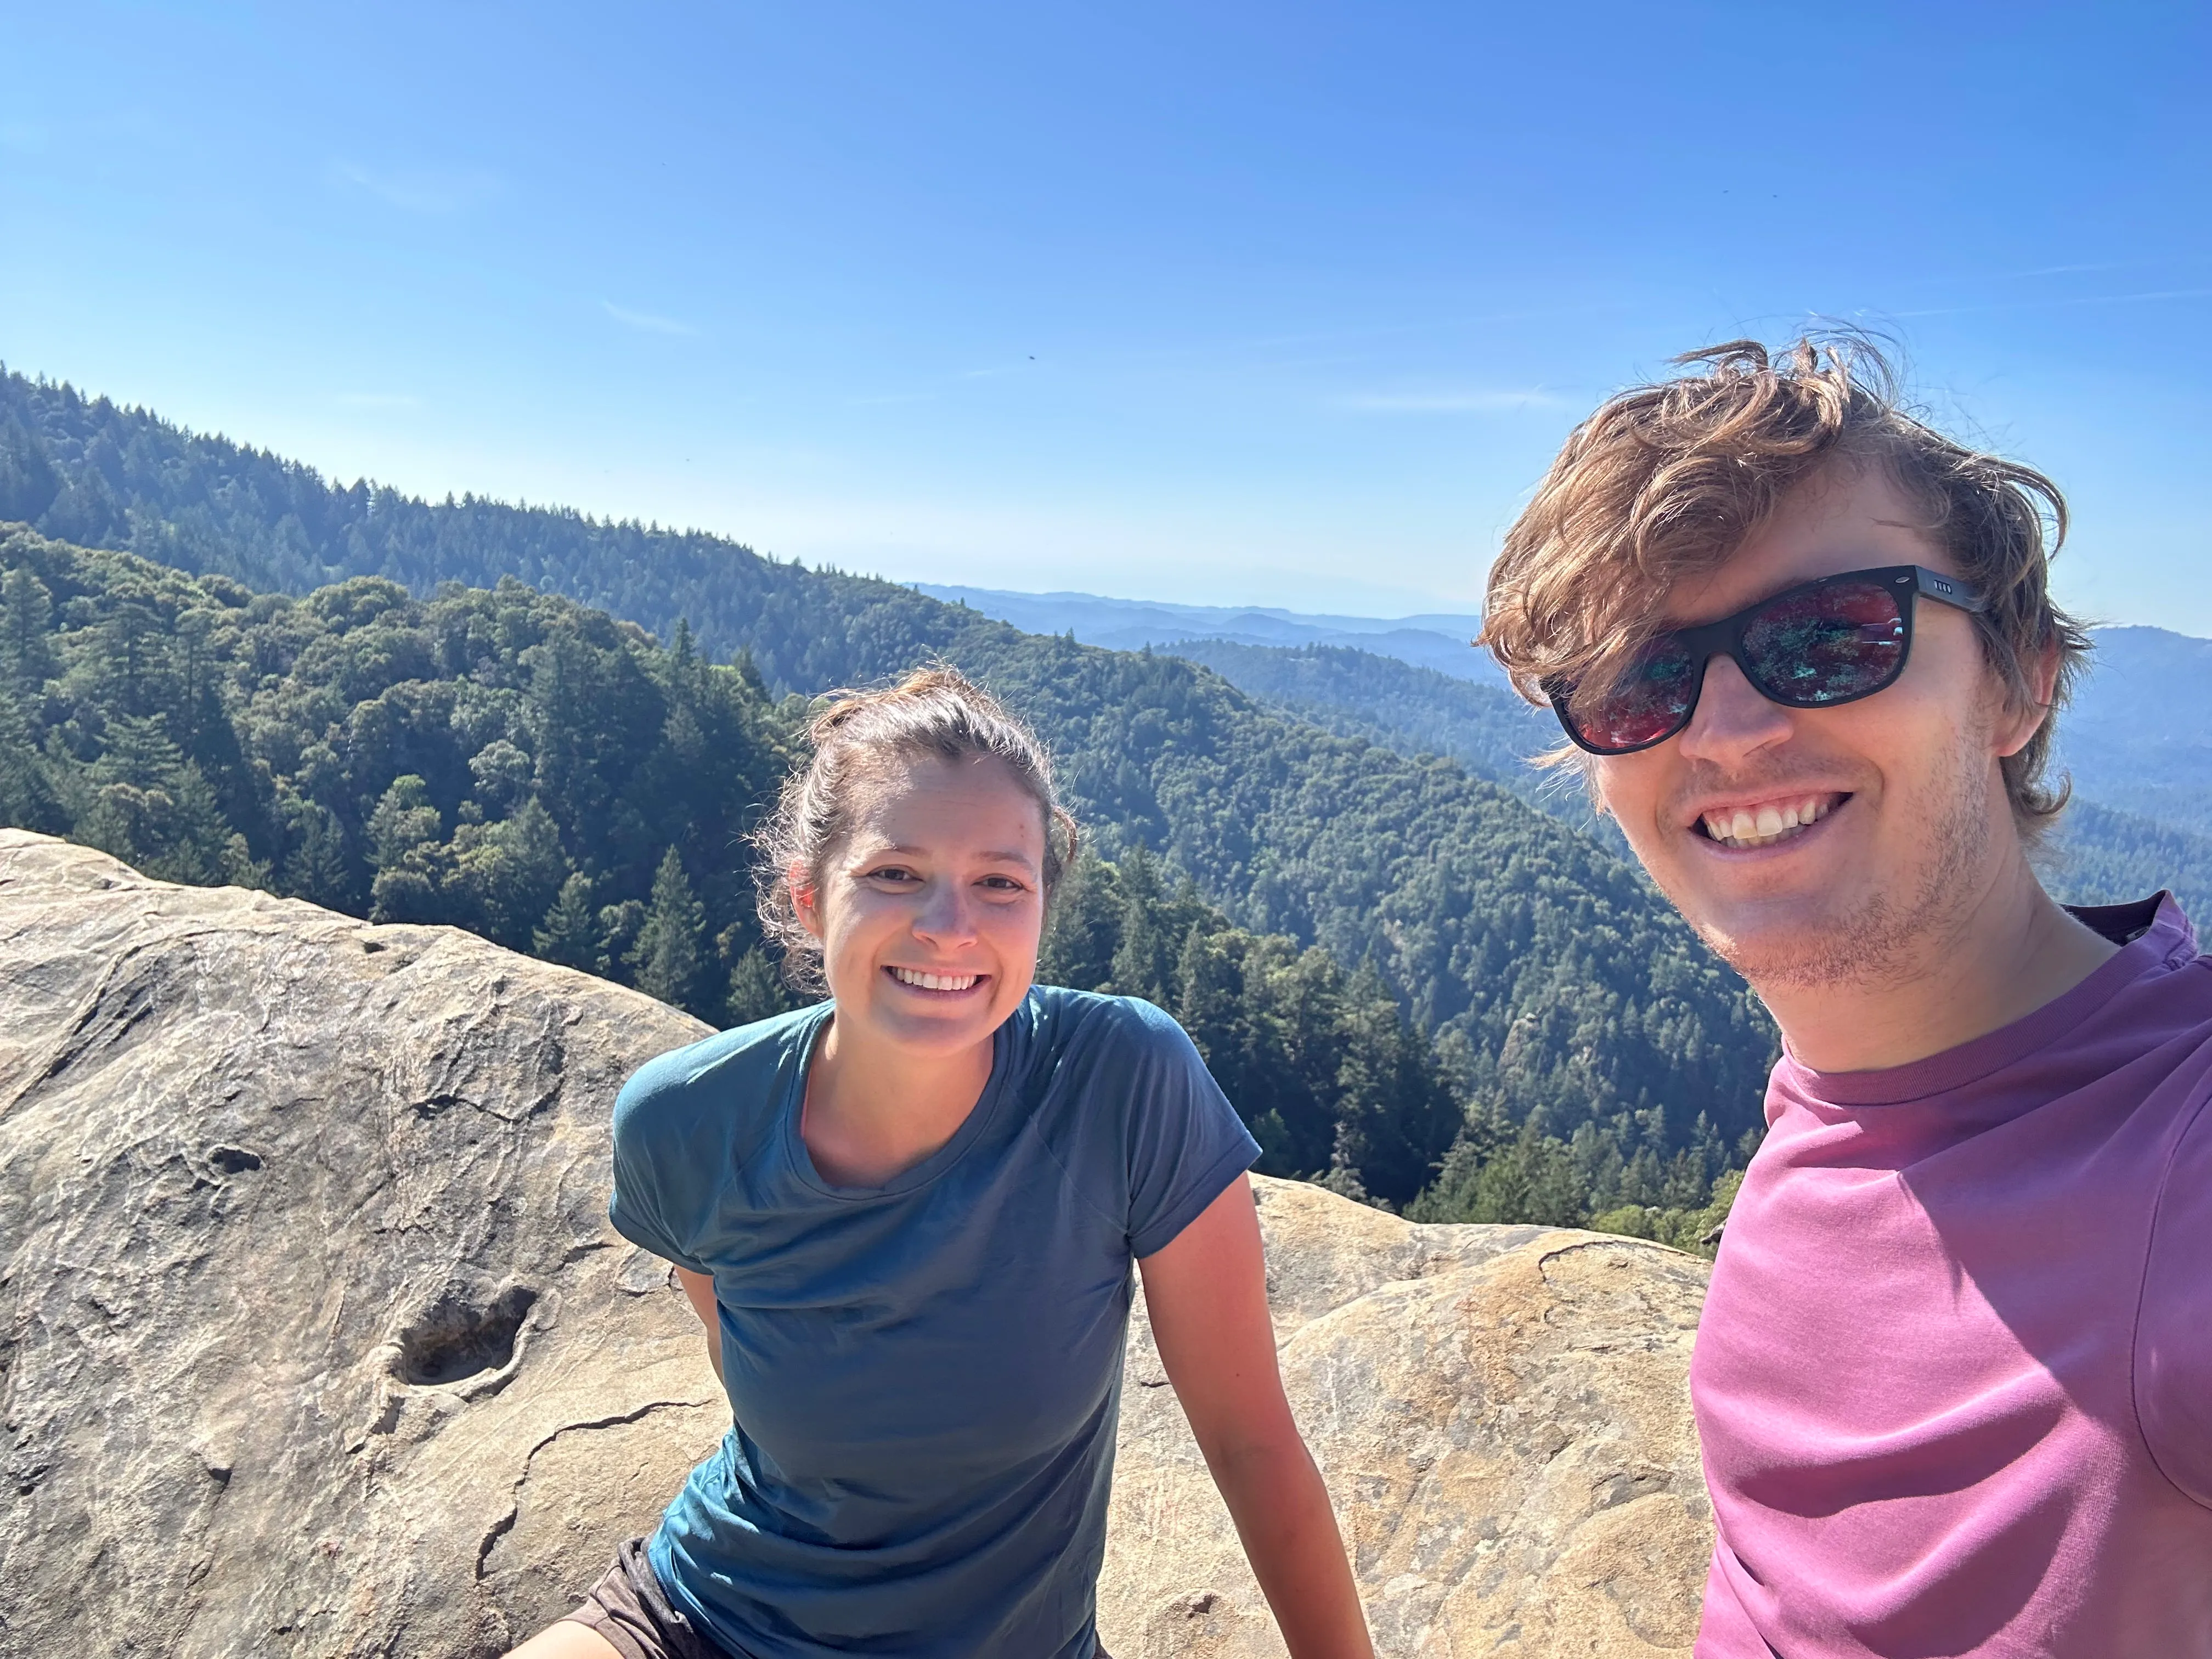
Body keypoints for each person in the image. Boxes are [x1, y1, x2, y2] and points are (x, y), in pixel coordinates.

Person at [1479, 337, 2212, 1656]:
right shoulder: (1849, 1100)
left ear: (2018, 681)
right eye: (1638, 680)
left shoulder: (2180, 1152)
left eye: (1831, 638)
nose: (1726, 730)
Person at [508, 668, 1373, 1659]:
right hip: (705, 1621)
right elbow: (731, 1338)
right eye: (894, 874)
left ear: (1045, 905)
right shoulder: (687, 1122)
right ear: (809, 902)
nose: (949, 926)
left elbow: (1251, 1442)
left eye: (1000, 882)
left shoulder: (1120, 1081)